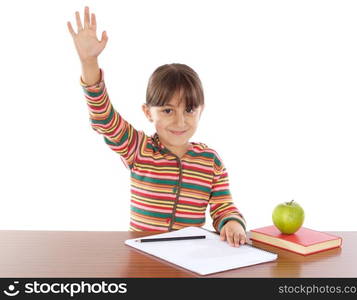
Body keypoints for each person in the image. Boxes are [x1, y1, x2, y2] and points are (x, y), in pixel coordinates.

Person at [67, 6, 246, 247]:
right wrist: (89, 62)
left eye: (189, 110)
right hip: (143, 258)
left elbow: (223, 206)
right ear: (147, 112)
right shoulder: (139, 148)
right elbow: (104, 119)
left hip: (190, 259)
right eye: (168, 110)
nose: (180, 122)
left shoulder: (210, 161)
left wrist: (232, 222)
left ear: (201, 109)